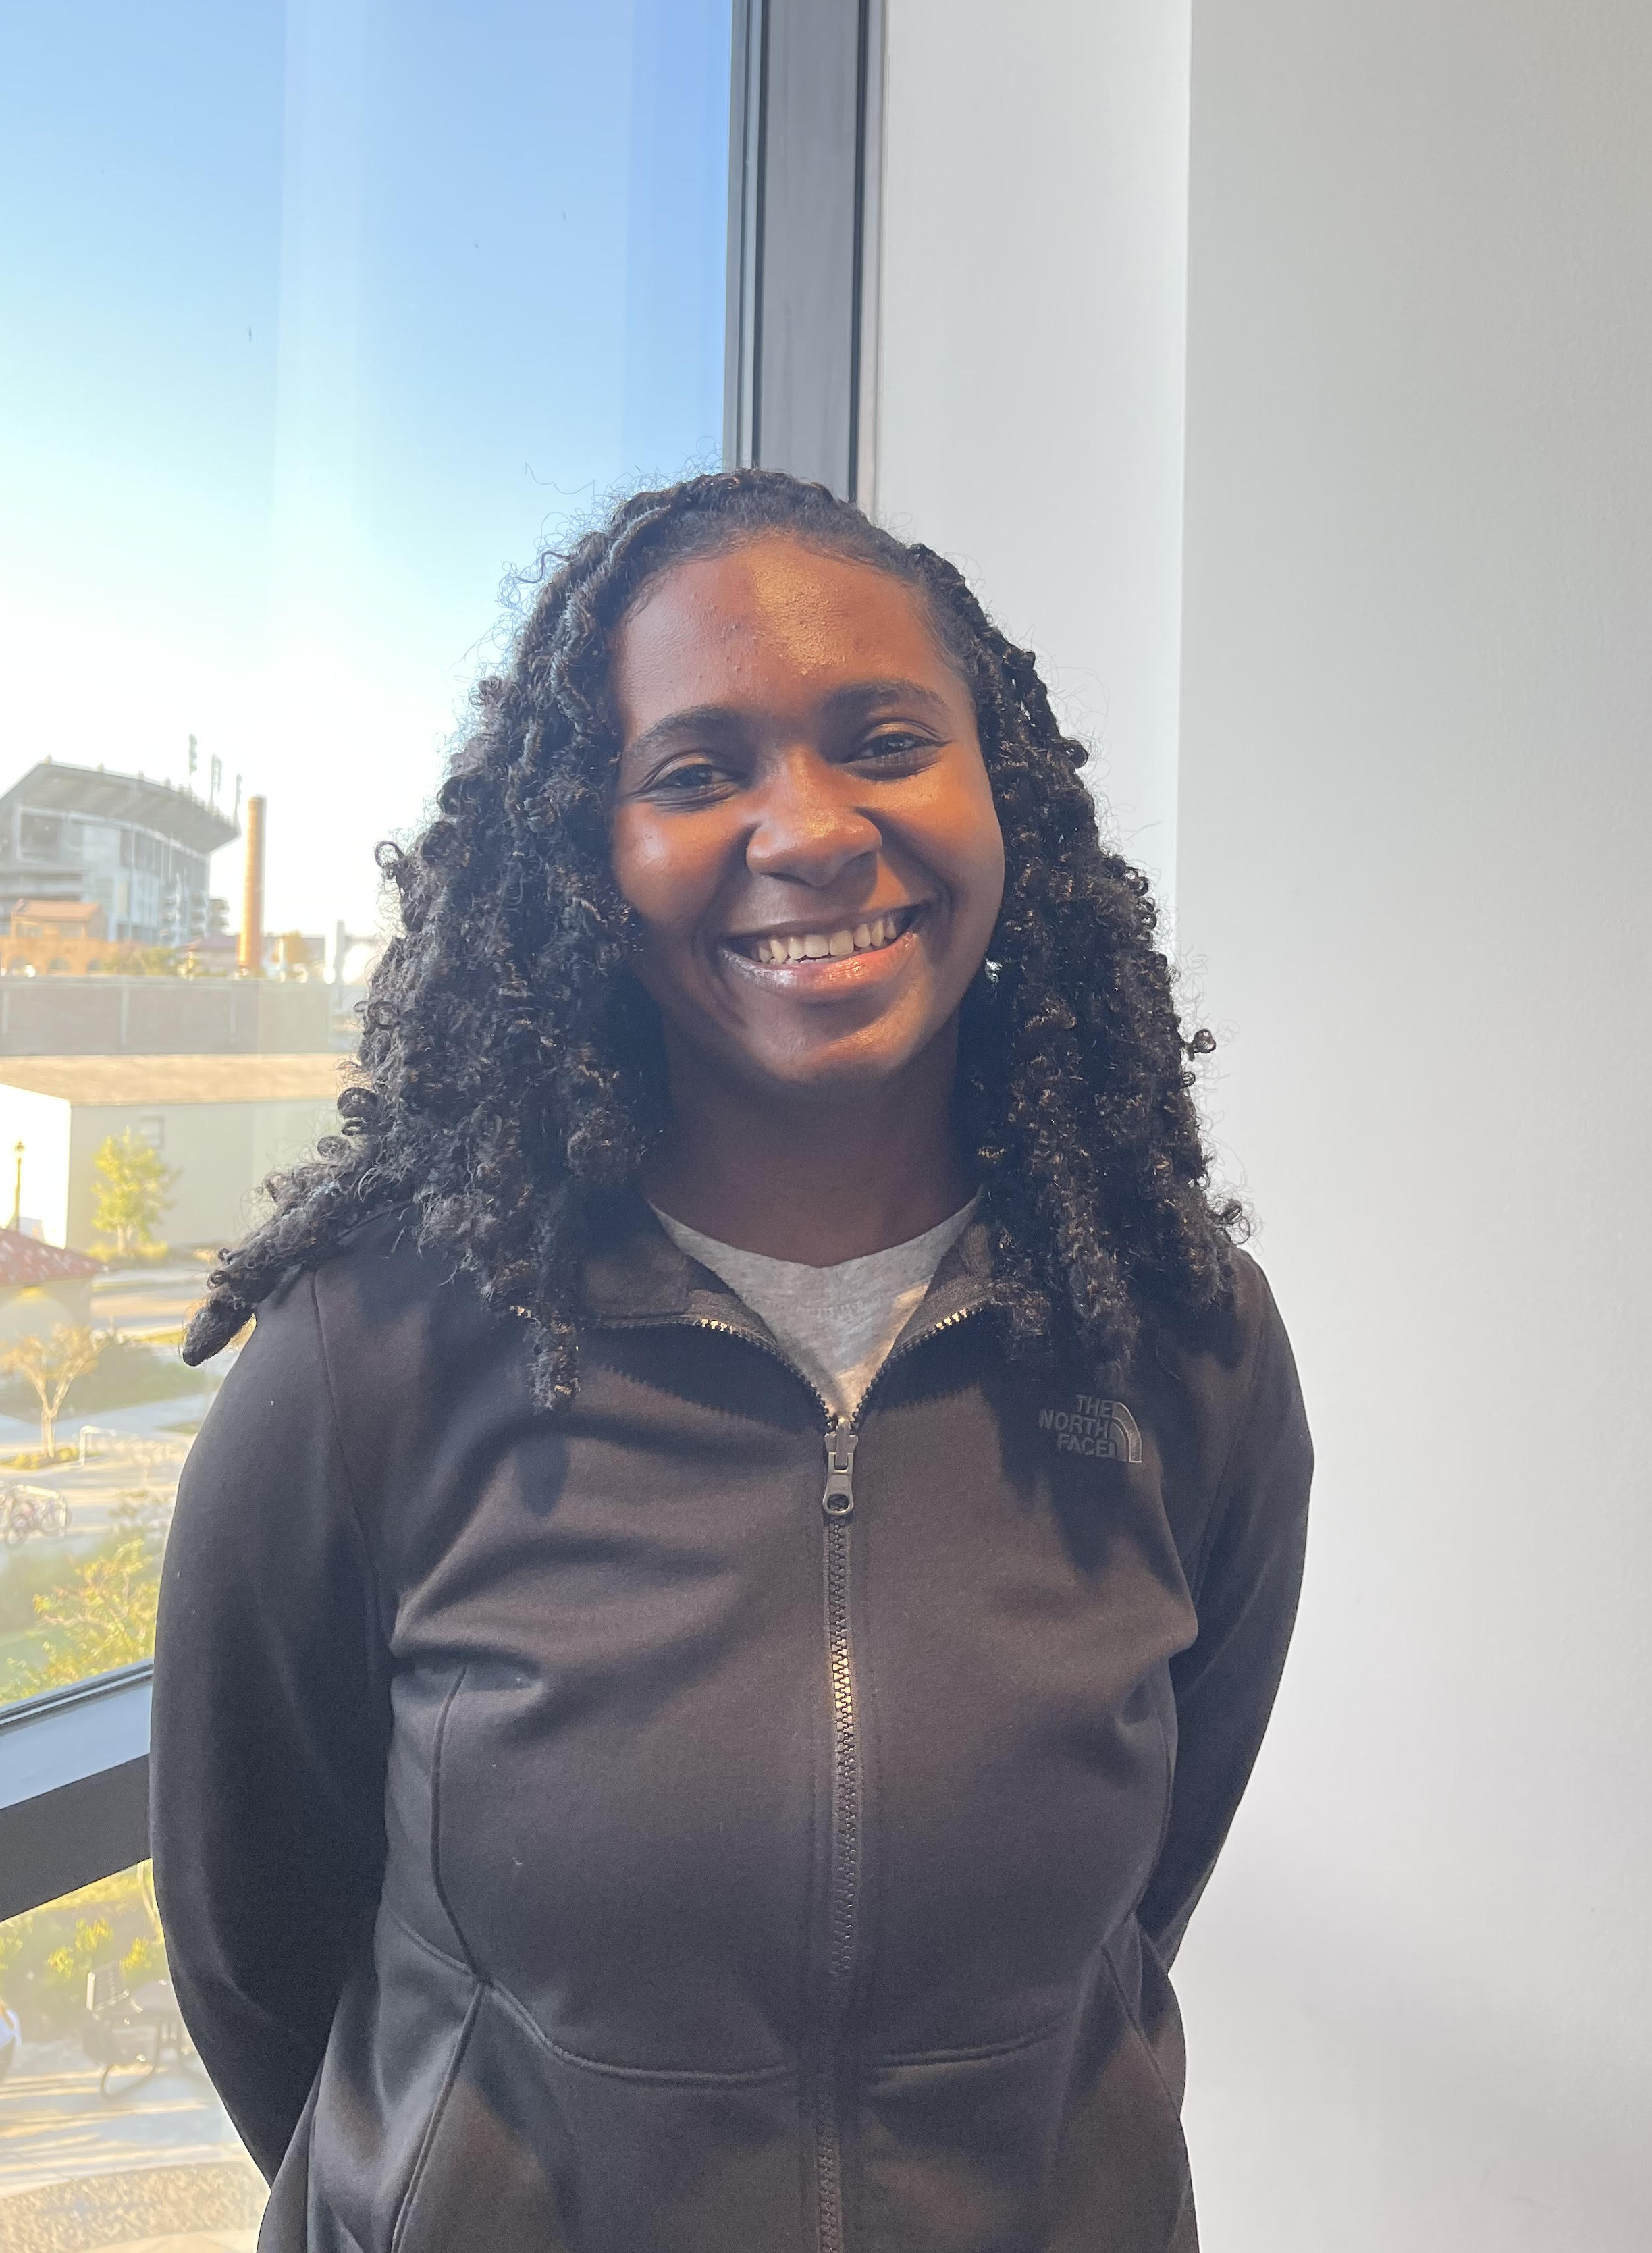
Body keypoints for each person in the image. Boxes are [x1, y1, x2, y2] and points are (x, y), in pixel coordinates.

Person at [152, 470, 1313, 2252]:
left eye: (884, 738)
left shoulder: (1173, 1338)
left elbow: (1132, 1904)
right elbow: (258, 1946)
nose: (813, 829)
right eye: (699, 773)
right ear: (588, 854)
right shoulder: (376, 1351)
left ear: (997, 788)